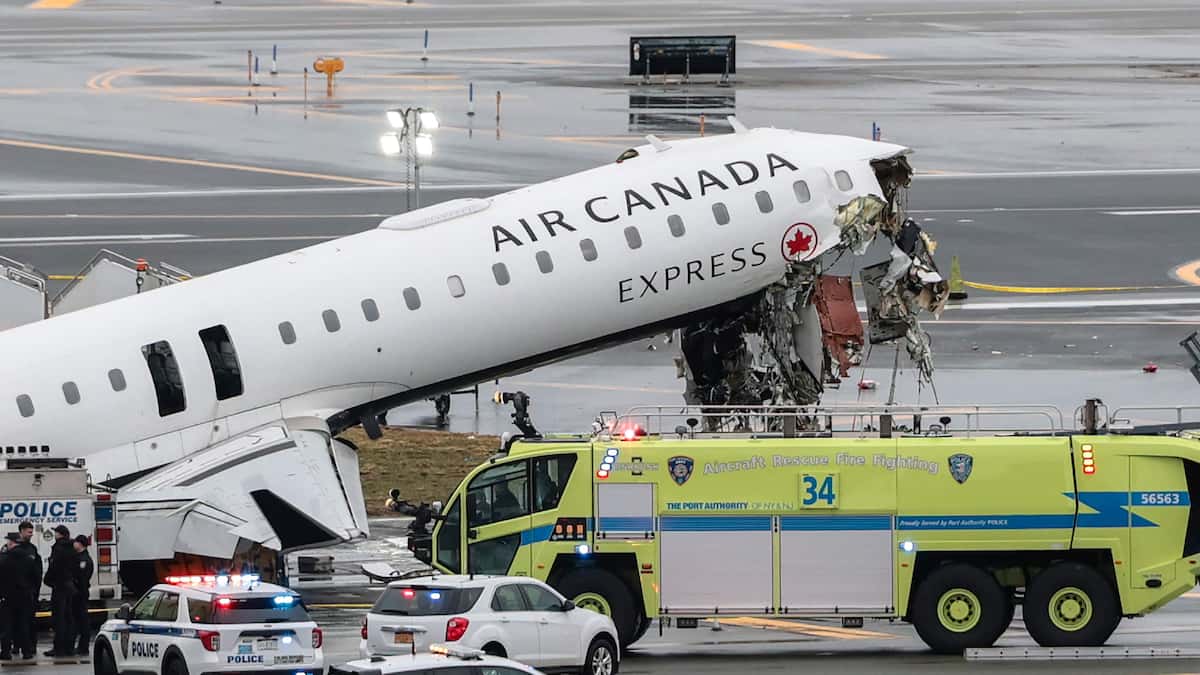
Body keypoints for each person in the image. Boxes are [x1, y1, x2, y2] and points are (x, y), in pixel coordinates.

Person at [43, 525, 77, 658]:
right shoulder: (72, 548)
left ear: (60, 534)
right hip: (70, 587)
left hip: (60, 587)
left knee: (59, 619)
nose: (55, 534)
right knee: (69, 618)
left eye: (56, 532)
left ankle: (59, 648)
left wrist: (48, 580)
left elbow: (54, 567)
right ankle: (69, 647)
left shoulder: (59, 548)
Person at [10, 523, 40, 660]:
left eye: (31, 532)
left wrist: (35, 590)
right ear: (21, 532)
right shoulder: (13, 549)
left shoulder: (32, 549)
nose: (31, 534)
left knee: (30, 621)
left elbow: (37, 571)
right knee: (16, 621)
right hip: (15, 592)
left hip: (29, 591)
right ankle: (17, 646)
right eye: (28, 532)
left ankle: (30, 646)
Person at [71, 536, 94, 656]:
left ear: (80, 544)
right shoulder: (78, 557)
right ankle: (80, 646)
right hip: (78, 593)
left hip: (81, 593)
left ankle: (83, 647)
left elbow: (82, 578)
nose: (74, 544)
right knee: (77, 620)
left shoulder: (85, 560)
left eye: (75, 542)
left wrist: (77, 588)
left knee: (83, 621)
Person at [0, 533, 18, 660]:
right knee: (17, 623)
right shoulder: (25, 555)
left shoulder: (5, 558)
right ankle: (19, 648)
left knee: (5, 624)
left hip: (5, 595)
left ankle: (6, 651)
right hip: (19, 594)